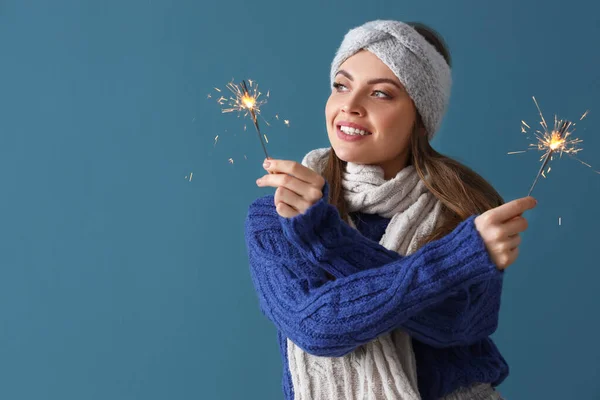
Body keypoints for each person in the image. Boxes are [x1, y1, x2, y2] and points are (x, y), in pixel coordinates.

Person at [245, 20, 537, 400]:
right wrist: (458, 256)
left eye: (380, 94)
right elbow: (316, 326)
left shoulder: (467, 209)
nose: (350, 106)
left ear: (420, 115)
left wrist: (324, 236)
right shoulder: (276, 216)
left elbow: (458, 323)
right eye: (341, 86)